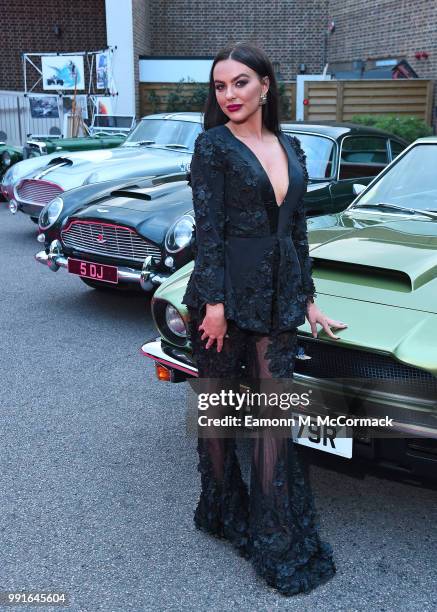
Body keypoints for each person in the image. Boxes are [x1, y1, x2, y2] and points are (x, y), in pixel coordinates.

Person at [182, 41, 348, 596]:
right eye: (219, 86)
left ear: (266, 85)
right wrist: (215, 307)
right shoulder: (212, 148)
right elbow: (209, 233)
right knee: (222, 418)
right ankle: (223, 512)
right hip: (222, 298)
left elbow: (296, 231)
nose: (229, 94)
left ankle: (274, 529)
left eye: (240, 83)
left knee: (275, 419)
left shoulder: (290, 144)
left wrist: (309, 298)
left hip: (278, 300)